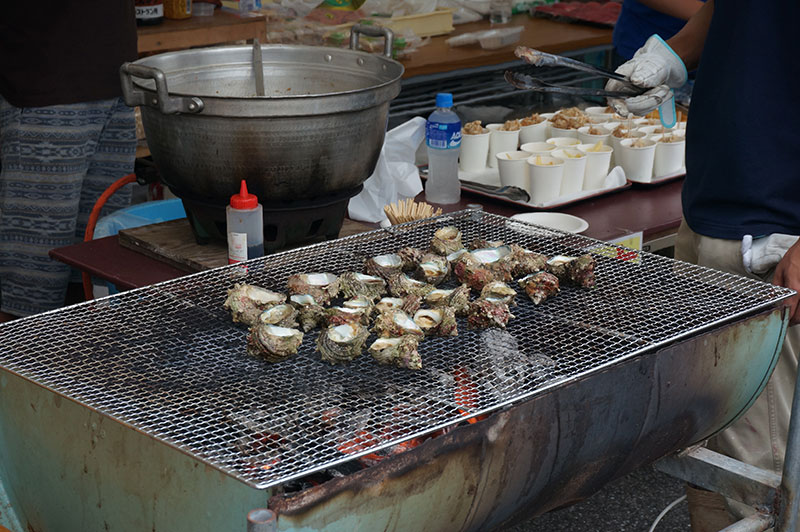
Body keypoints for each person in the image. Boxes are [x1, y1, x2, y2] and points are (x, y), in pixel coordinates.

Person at [607, 1, 800, 529]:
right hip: (715, 206)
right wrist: (674, 52)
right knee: (701, 447)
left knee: (757, 477)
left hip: (776, 231)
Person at [0, 2, 139, 322]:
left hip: (116, 78)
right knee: (31, 285)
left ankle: (83, 364)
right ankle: (17, 367)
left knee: (96, 270)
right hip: (46, 84)